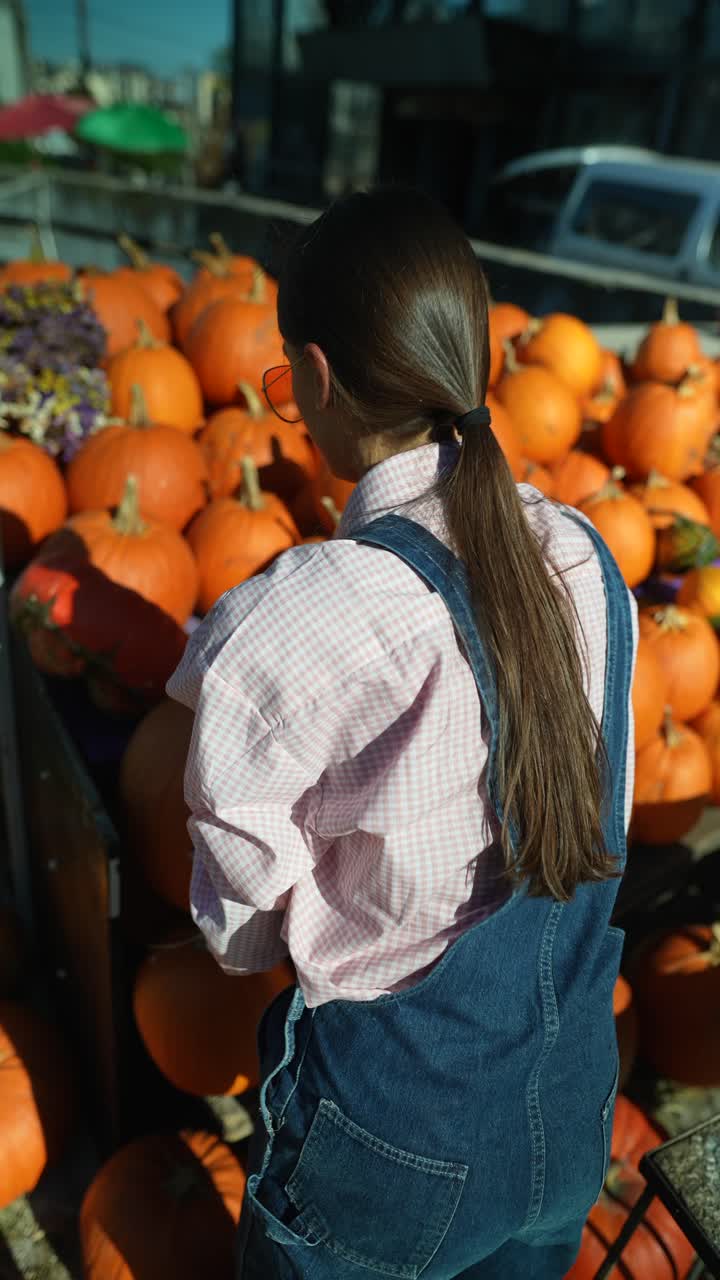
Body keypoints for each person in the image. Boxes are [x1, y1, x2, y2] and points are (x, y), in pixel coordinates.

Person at [167, 187, 638, 1280]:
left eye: (284, 381)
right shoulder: (584, 552)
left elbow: (241, 926)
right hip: (568, 1112)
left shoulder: (299, 614)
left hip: (392, 1141)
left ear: (317, 377)